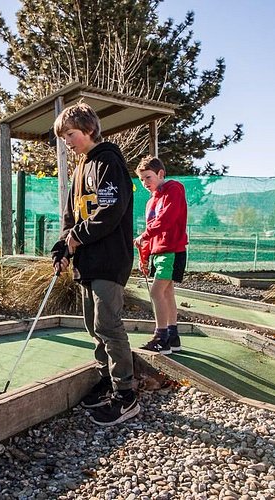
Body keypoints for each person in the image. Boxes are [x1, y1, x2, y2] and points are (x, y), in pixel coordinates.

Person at [51, 102, 139, 426]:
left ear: (88, 130)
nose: (67, 142)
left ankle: (126, 395)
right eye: (63, 137)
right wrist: (63, 246)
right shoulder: (80, 169)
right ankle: (107, 381)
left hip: (109, 260)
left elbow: (110, 211)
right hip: (87, 263)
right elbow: (69, 216)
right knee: (93, 326)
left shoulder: (108, 162)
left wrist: (77, 238)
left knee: (108, 325)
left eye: (70, 135)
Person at [133, 155, 188, 354]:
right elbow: (150, 233)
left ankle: (161, 337)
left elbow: (166, 220)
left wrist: (144, 236)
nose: (144, 183)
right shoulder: (150, 202)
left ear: (160, 174)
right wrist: (144, 258)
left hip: (171, 251)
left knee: (157, 292)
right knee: (167, 292)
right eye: (141, 180)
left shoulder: (174, 189)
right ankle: (173, 337)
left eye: (148, 177)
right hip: (158, 252)